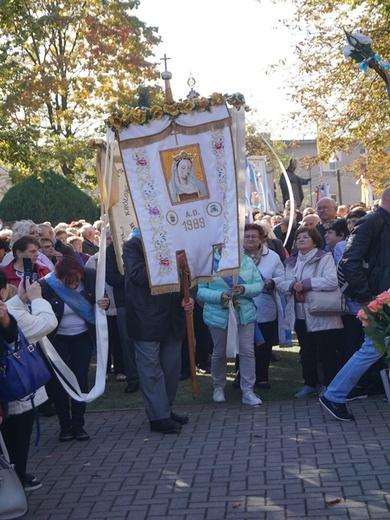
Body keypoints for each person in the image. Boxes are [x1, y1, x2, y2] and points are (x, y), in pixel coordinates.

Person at [320, 187, 390, 421]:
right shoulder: (372, 222)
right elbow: (350, 262)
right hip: (379, 300)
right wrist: (367, 299)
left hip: (382, 297)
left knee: (375, 348)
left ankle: (334, 395)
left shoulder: (381, 222)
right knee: (372, 349)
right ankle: (334, 395)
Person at [123, 230, 194, 434]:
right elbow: (138, 276)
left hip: (173, 316)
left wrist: (189, 297)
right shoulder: (132, 244)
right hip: (146, 318)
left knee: (171, 368)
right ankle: (158, 417)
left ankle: (165, 408)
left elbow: (188, 275)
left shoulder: (175, 239)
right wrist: (173, 263)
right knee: (150, 369)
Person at [39, 255, 109, 441]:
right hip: (57, 338)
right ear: (58, 277)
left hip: (82, 337)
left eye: (76, 282)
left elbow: (103, 298)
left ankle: (78, 425)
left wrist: (105, 302)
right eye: (67, 282)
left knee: (80, 378)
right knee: (59, 381)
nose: (72, 286)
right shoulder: (46, 285)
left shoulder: (92, 276)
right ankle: (65, 426)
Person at [2, 274, 58, 492]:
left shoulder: (9, 311)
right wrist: (36, 299)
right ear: (3, 291)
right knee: (16, 441)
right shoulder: (12, 314)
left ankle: (15, 477)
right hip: (14, 390)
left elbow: (9, 312)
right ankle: (15, 484)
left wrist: (21, 298)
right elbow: (47, 323)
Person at [279, 226, 344, 398]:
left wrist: (306, 284)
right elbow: (283, 283)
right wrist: (293, 285)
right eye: (299, 237)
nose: (301, 239)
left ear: (315, 241)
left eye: (305, 237)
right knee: (306, 350)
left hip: (321, 312)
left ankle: (328, 384)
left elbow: (331, 281)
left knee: (326, 350)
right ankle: (309, 384)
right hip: (300, 313)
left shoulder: (324, 257)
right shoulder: (291, 261)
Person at [197, 245, 263, 406]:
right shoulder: (207, 262)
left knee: (247, 351)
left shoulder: (246, 261)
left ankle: (248, 390)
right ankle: (218, 387)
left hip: (243, 313)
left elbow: (258, 284)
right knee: (219, 352)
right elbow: (200, 291)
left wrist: (244, 289)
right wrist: (219, 295)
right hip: (219, 313)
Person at [243, 223, 285, 389]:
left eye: (254, 236)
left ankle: (261, 377)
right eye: (247, 236)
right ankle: (242, 377)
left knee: (263, 345)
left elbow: (282, 277)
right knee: (244, 344)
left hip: (265, 304)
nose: (250, 239)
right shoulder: (235, 256)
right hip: (243, 305)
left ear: (261, 239)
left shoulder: (272, 256)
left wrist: (272, 282)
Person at [106, 240, 139, 394]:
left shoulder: (140, 242)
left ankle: (150, 377)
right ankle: (133, 378)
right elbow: (110, 277)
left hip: (145, 300)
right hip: (123, 301)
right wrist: (134, 277)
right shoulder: (110, 250)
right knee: (127, 340)